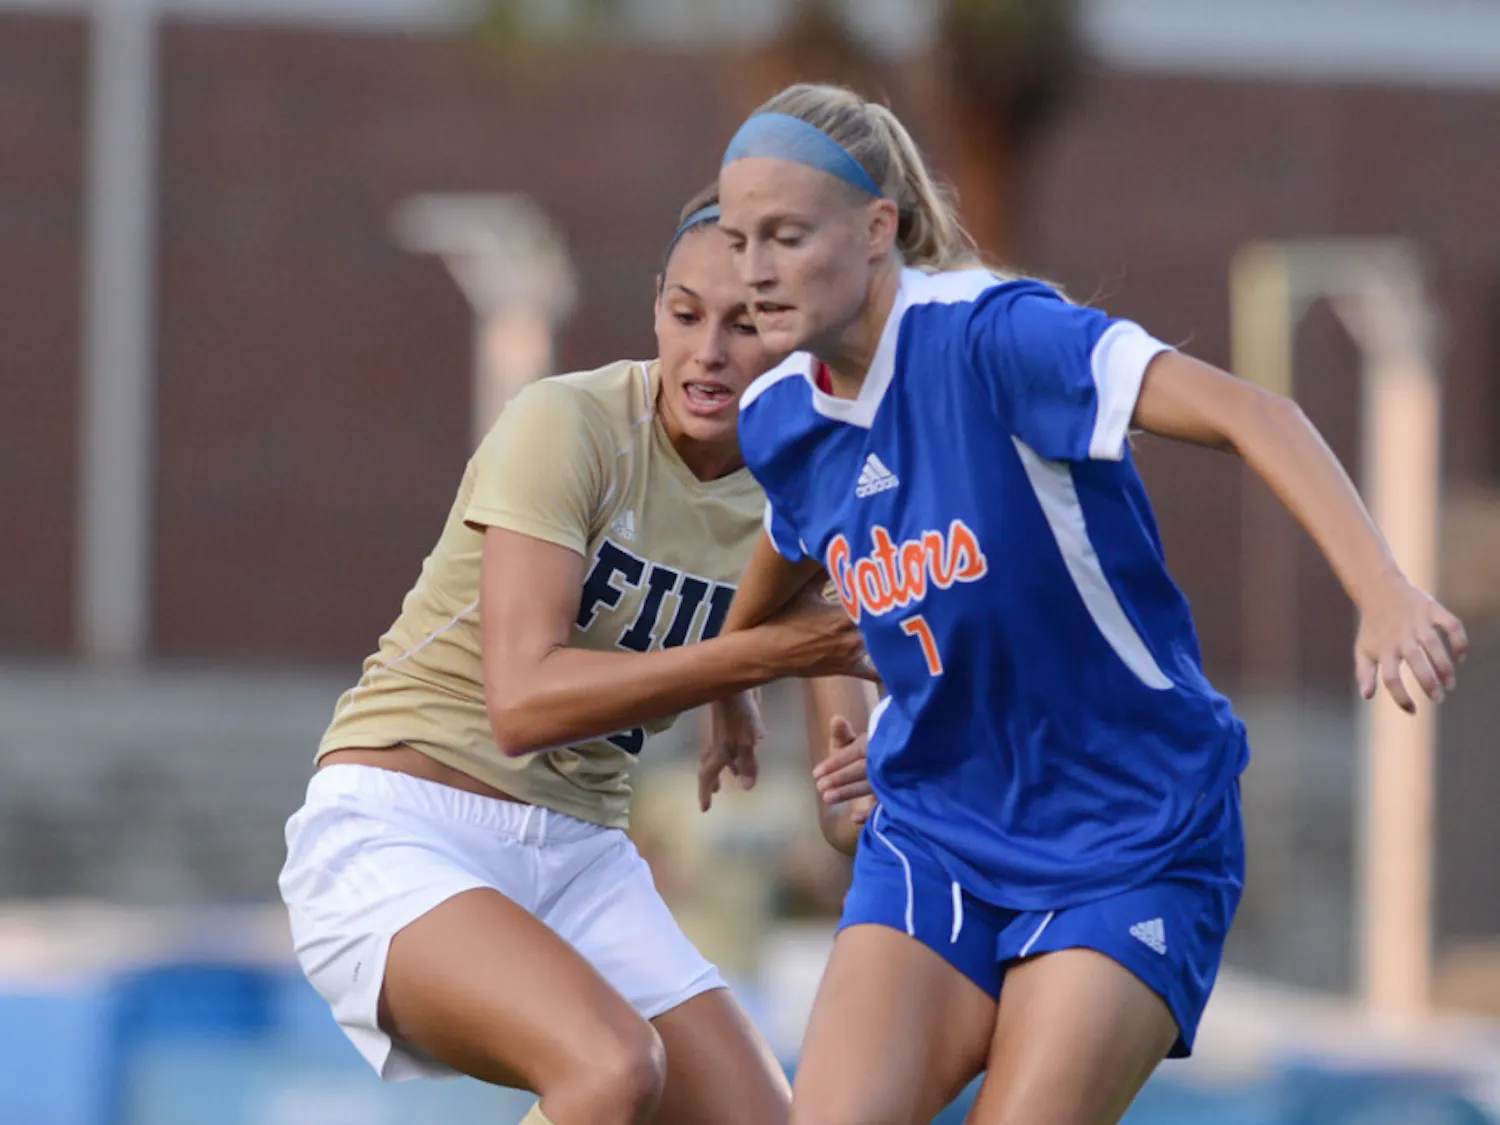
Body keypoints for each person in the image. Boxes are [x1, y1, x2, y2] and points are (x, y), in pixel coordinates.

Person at [703, 84, 1468, 1125]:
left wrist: (1381, 588)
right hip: (936, 834)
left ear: (878, 229)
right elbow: (799, 554)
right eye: (738, 237)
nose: (753, 271)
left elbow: (1258, 412)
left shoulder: (999, 337)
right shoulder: (781, 416)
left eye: (785, 236)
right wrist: (737, 686)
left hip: (1131, 836)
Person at [278, 186, 878, 1125]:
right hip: (405, 829)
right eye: (685, 314)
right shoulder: (573, 423)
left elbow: (846, 806)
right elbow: (522, 703)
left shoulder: (809, 487)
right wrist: (745, 666)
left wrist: (874, 780)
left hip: (580, 853)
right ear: (655, 308)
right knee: (610, 1067)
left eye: (749, 323)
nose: (708, 352)